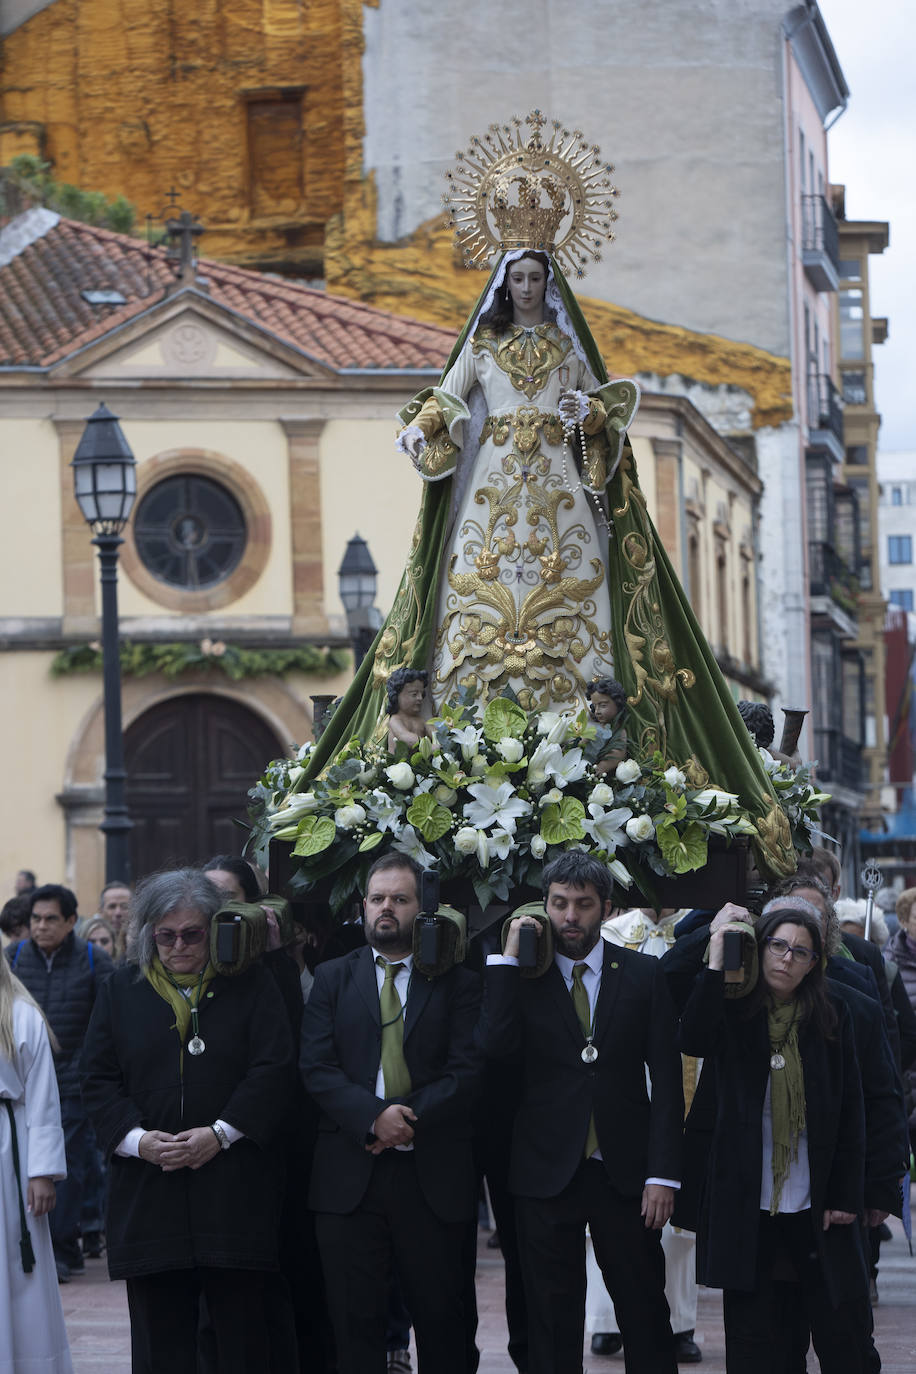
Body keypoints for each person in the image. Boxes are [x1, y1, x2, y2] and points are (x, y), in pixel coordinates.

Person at [79, 869, 296, 1374]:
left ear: (213, 929)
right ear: (149, 934)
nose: (179, 946)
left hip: (232, 1194)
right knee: (160, 1347)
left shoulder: (250, 983)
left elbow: (274, 1067)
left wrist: (220, 1135)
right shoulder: (120, 990)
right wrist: (137, 1141)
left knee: (241, 1344)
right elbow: (96, 1079)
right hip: (149, 1194)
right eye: (166, 935)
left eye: (193, 934)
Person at [481, 851, 682, 1373]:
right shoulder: (521, 977)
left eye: (583, 905)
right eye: (559, 903)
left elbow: (666, 1080)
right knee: (550, 1320)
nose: (570, 916)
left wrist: (663, 1174)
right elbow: (495, 1050)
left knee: (645, 1314)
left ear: (607, 909)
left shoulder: (643, 974)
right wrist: (506, 959)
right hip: (544, 1173)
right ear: (543, 906)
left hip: (627, 1175)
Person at [300, 852, 482, 1374]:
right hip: (349, 1178)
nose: (386, 909)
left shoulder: (458, 981)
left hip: (432, 1177)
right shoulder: (333, 978)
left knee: (444, 1323)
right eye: (378, 899)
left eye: (399, 900)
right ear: (363, 907)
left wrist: (406, 1120)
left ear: (422, 909)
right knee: (353, 1326)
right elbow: (315, 1066)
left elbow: (468, 1070)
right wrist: (373, 1118)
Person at [678, 906, 872, 1372]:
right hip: (749, 1206)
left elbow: (851, 1109)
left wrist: (848, 1194)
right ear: (760, 946)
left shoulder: (833, 1014)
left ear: (813, 963)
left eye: (800, 951)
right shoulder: (734, 1009)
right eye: (778, 946)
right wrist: (715, 947)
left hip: (816, 1205)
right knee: (755, 1345)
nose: (786, 959)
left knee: (841, 1336)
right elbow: (693, 1036)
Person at [585, 904, 701, 1364]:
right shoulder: (612, 931)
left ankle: (682, 1322)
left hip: (676, 1072)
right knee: (605, 1230)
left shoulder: (697, 927)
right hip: (616, 1091)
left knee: (675, 1227)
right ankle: (603, 1321)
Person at [6, 882, 114, 1282]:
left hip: (72, 1081)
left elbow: (109, 1021)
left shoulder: (93, 959)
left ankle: (64, 1247)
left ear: (71, 921)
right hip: (20, 1086)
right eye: (35, 918)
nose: (41, 926)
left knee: (64, 1166)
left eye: (51, 919)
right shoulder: (13, 957)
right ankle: (26, 1242)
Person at [0, 938, 73, 1372]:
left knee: (16, 1269)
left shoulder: (20, 1016)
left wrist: (42, 1171)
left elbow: (44, 1097)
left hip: (10, 1154)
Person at [585, 676, 628, 774]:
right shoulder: (596, 727)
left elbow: (618, 753)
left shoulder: (619, 731)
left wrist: (602, 767)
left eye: (603, 705)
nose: (597, 711)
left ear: (617, 703)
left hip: (599, 773)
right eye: (595, 706)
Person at [386, 667, 434, 751]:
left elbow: (435, 734)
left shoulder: (421, 720)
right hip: (399, 763)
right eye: (414, 694)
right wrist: (429, 747)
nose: (420, 698)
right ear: (397, 696)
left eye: (421, 694)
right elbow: (405, 737)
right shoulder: (395, 720)